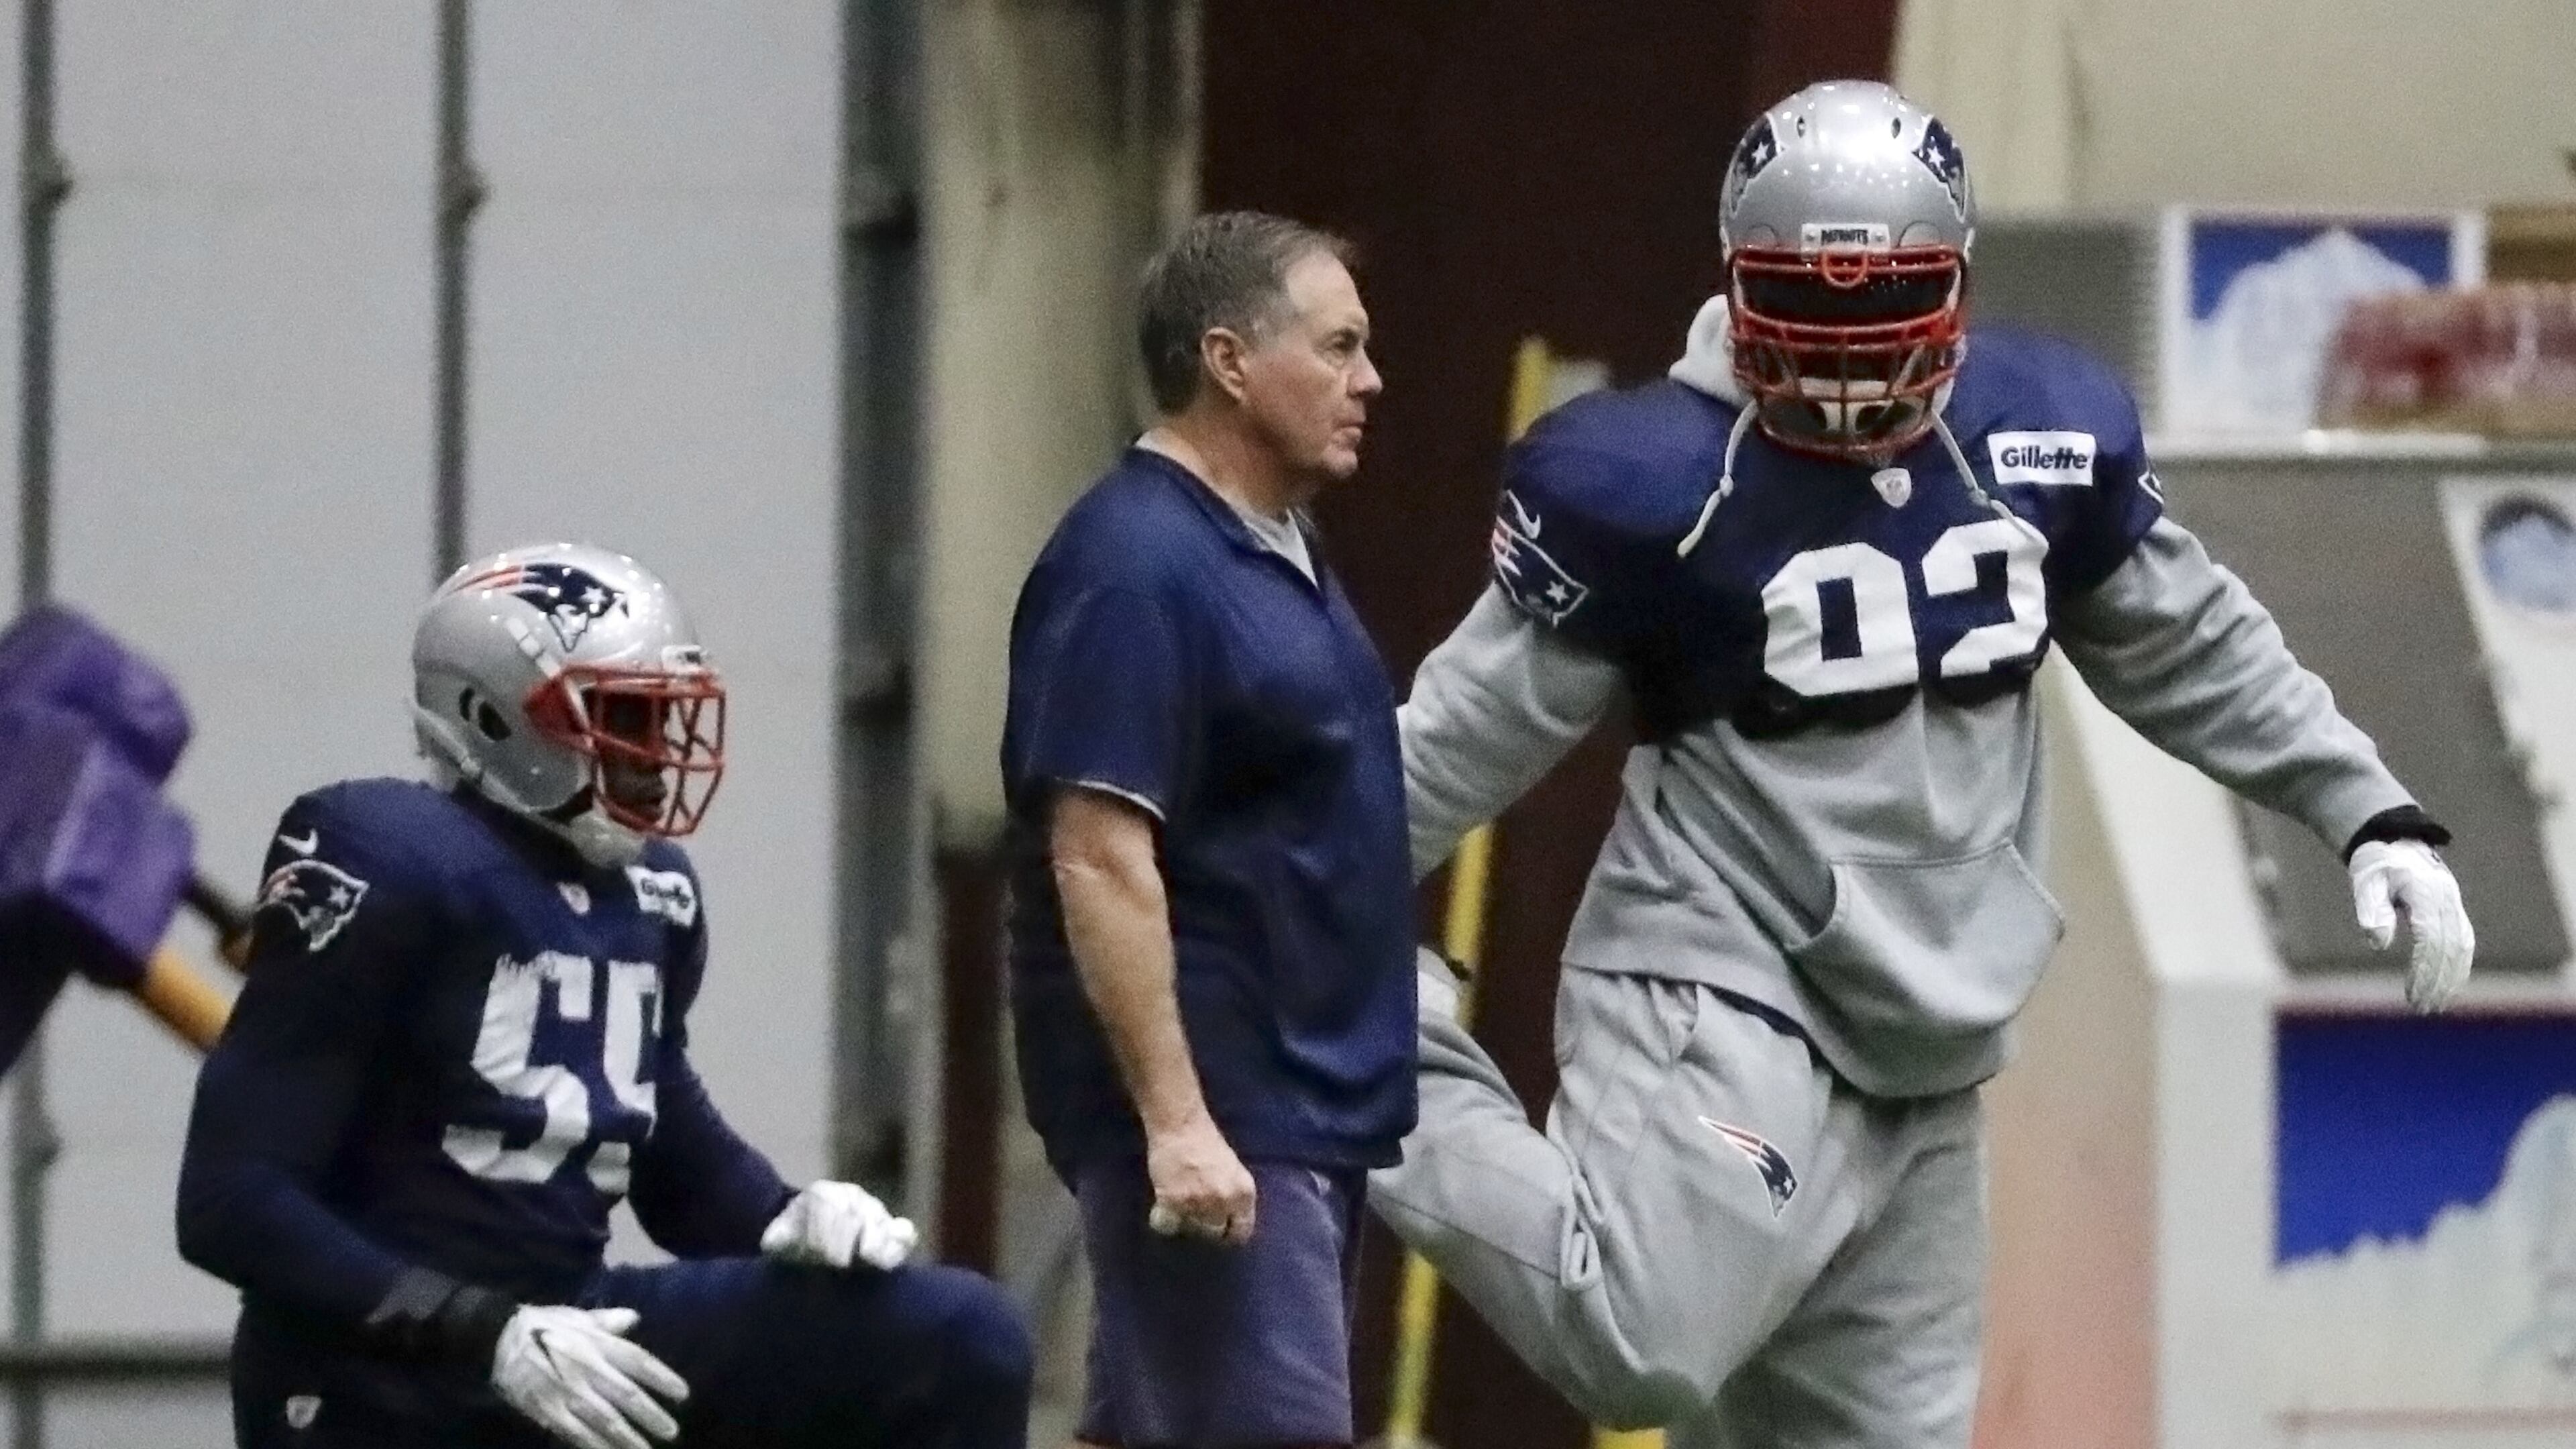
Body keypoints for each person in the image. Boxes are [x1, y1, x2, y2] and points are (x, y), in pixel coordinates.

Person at [1373, 80, 2479, 1449]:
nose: (1847, 366)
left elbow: (2192, 644)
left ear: (1956, 280)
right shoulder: (1662, 486)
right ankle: (1376, 1057)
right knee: (1638, 1341)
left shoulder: (2034, 432)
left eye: (1882, 311)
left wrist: (2364, 806)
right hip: (1733, 981)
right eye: (1810, 312)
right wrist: (1301, 898)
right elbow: (1469, 727)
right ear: (1736, 283)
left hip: (1935, 1030)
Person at [178, 543, 1031, 1449]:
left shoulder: (650, 891)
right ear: (492, 717)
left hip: (574, 1333)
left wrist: (784, 1214)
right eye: (626, 719)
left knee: (956, 1337)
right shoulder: (384, 856)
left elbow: (666, 1149)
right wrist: (479, 1329)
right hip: (379, 1379)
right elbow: (230, 1200)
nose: (657, 759)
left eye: (665, 723)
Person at [1000, 209, 1409, 1448]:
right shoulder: (1135, 566)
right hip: (1233, 1126)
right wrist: (1178, 1126)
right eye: (1338, 347)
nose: (1369, 380)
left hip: (1295, 1117)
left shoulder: (1271, 549)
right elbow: (1098, 852)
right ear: (1230, 362)